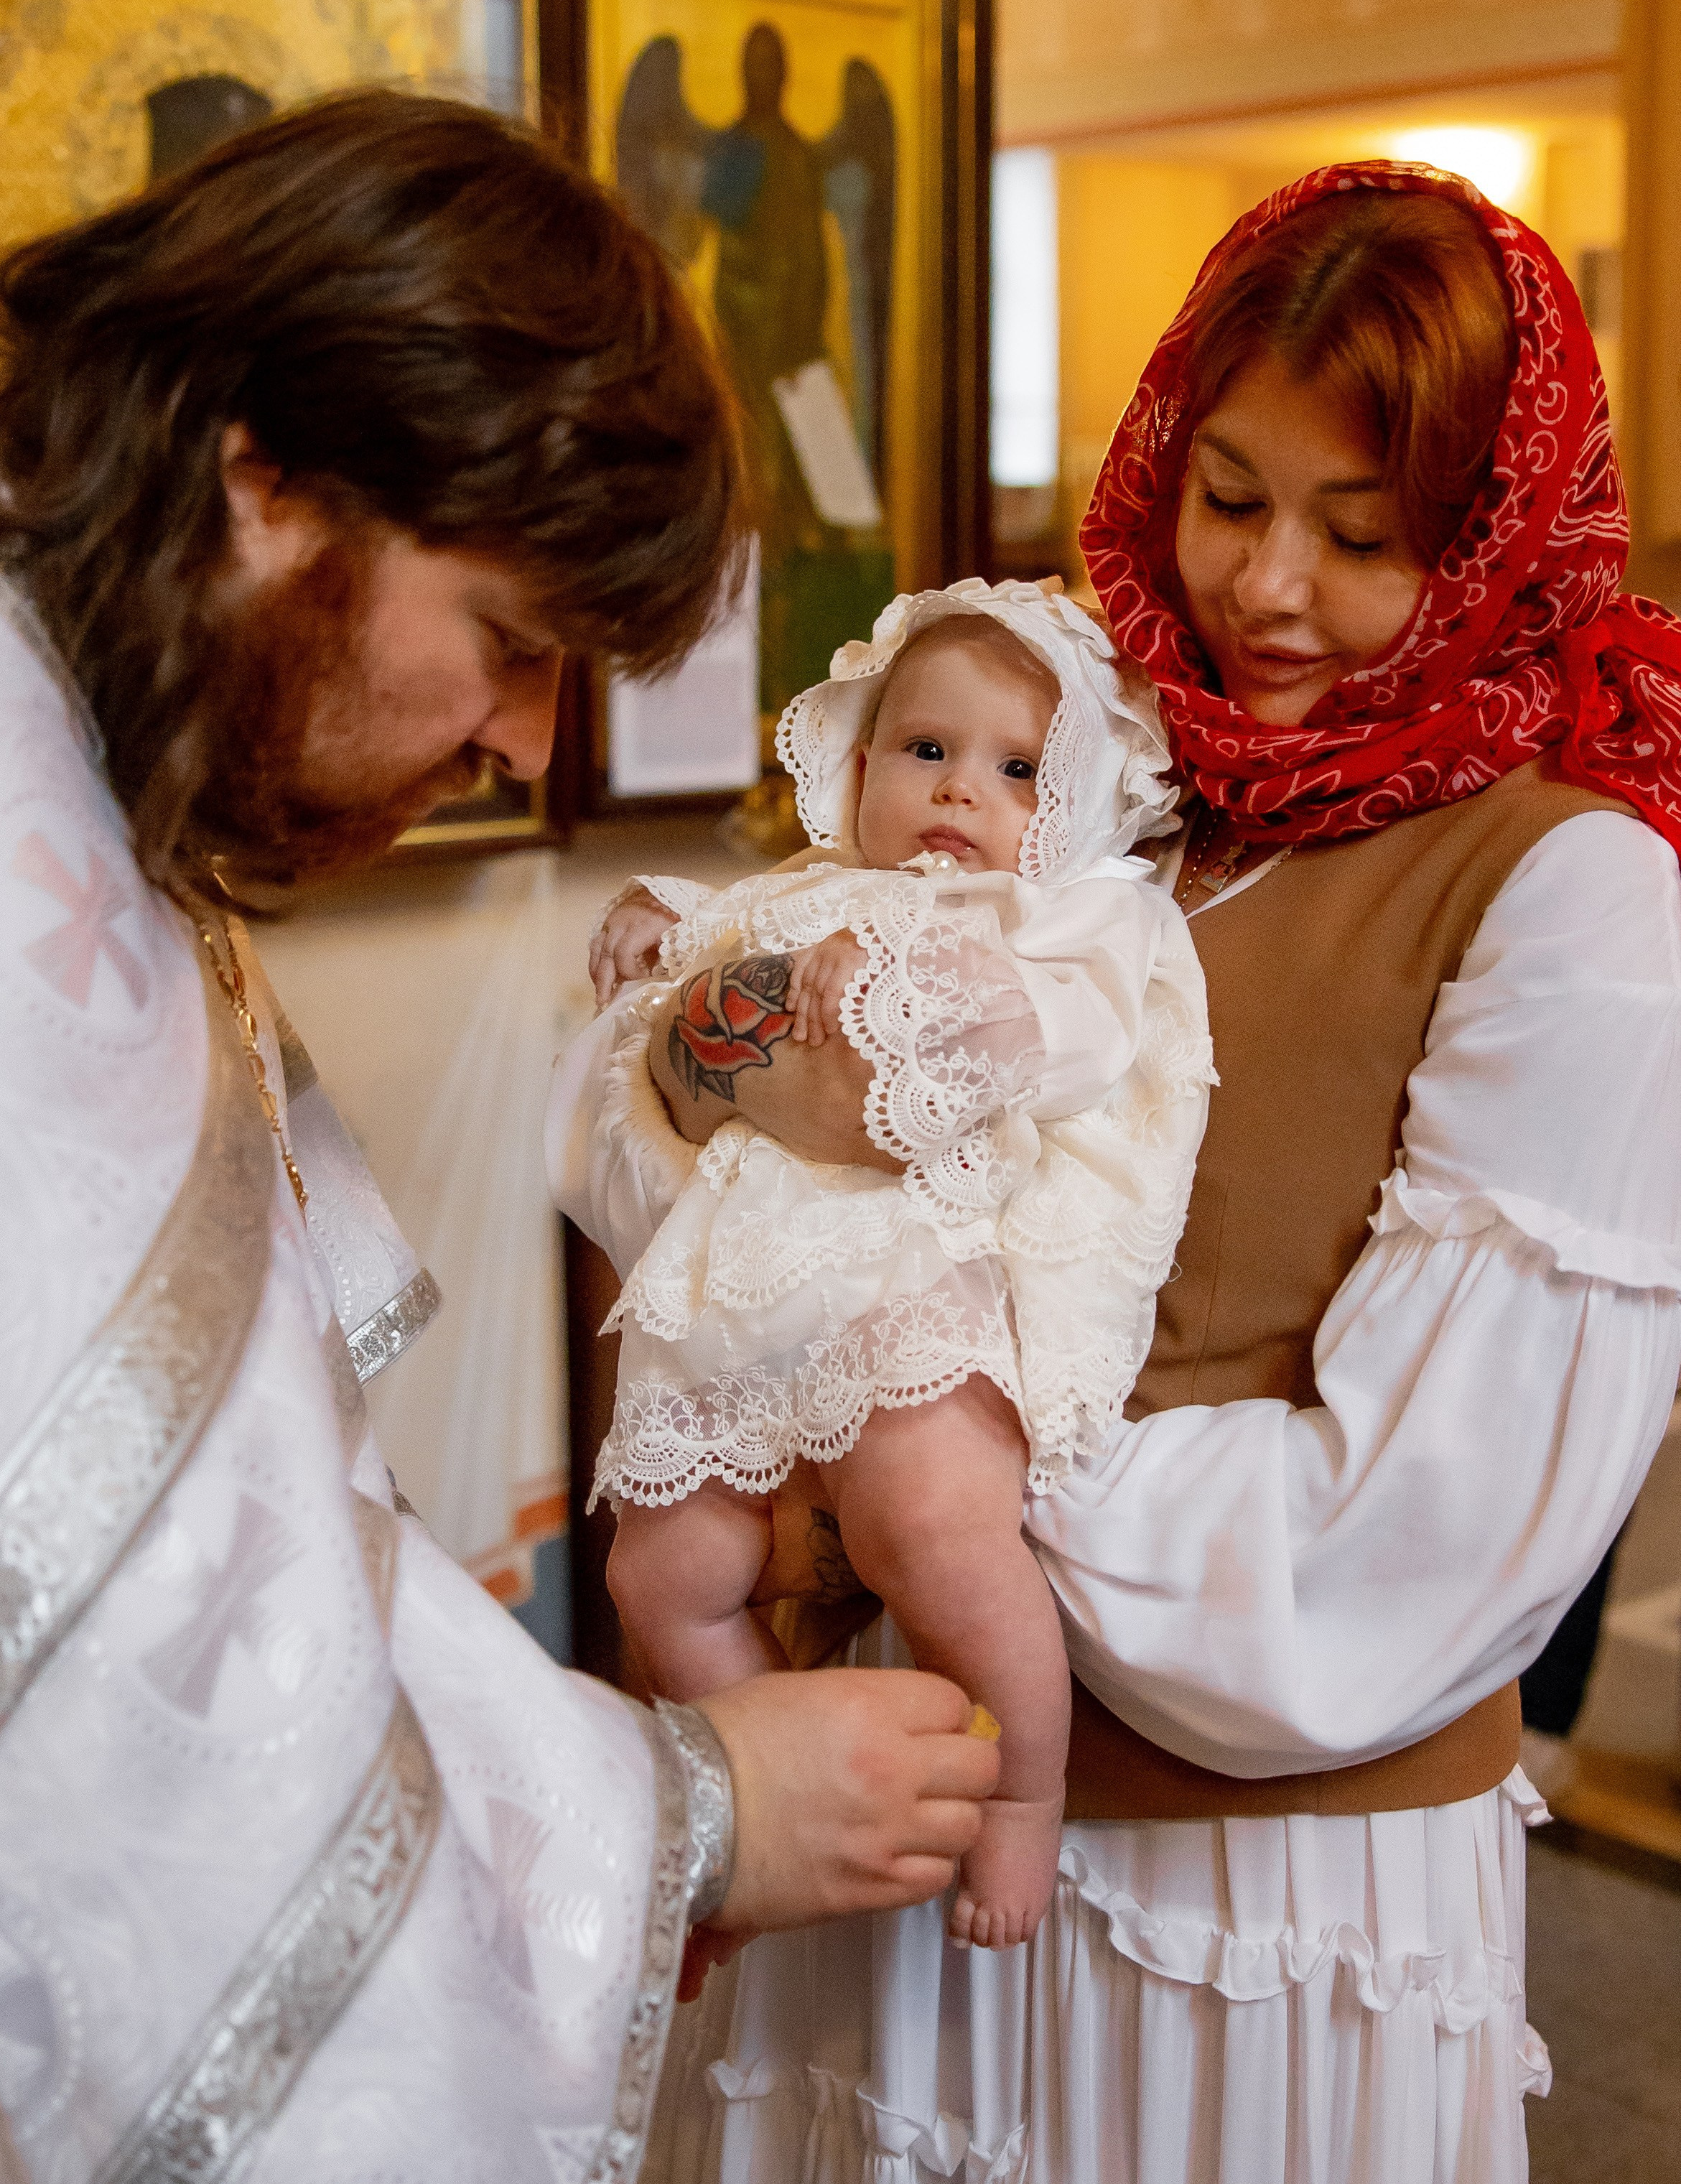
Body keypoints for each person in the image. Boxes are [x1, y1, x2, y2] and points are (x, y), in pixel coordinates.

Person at [0, 89, 1000, 2183]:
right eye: (509, 645)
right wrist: (679, 1813)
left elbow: (253, 1557)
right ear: (262, 478)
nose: (516, 738)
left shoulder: (45, 731)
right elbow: (100, 1735)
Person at [596, 164, 1681, 2184]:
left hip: (1242, 1907)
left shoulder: (1572, 892)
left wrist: (881, 1488)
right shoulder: (1078, 769)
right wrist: (709, 1047)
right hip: (889, 1819)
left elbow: (1409, 1535)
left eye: (1363, 537)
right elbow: (662, 1117)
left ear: (1490, 539)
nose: (1264, 588)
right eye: (1229, 495)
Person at [551, 580, 1211, 1948]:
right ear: (856, 763)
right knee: (655, 1583)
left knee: (934, 1530)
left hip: (910, 1293)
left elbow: (1081, 1038)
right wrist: (649, 921)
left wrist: (904, 990)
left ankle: (1023, 1792)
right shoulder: (807, 889)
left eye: (1018, 769)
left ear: (1079, 801)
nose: (960, 792)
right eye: (926, 750)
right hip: (736, 1319)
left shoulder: (1070, 916)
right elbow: (711, 938)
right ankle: (759, 1780)